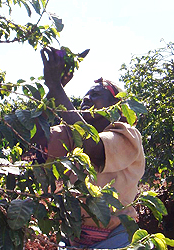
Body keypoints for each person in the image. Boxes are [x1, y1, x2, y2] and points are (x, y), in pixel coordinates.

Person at [39, 47, 145, 249]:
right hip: (73, 239)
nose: (86, 99)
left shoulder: (127, 134)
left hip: (116, 241)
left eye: (95, 94)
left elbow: (94, 149)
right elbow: (34, 136)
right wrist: (53, 90)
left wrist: (56, 87)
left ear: (117, 106)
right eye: (84, 96)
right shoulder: (71, 133)